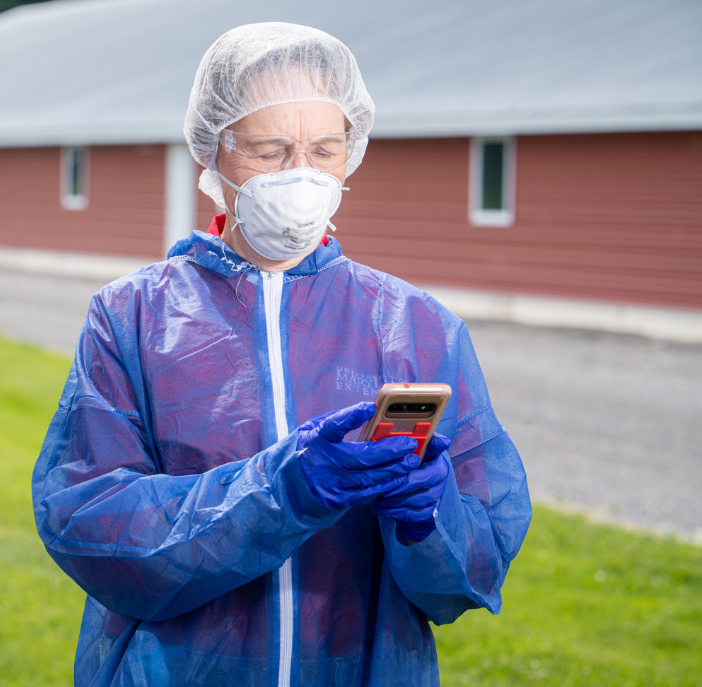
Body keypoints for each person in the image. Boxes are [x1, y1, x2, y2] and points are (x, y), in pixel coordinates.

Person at [32, 22, 530, 687]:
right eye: (270, 149)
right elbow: (90, 523)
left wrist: (428, 517)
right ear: (213, 154)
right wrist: (282, 488)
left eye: (324, 149)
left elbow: (468, 576)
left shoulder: (418, 326)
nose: (302, 174)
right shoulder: (133, 318)